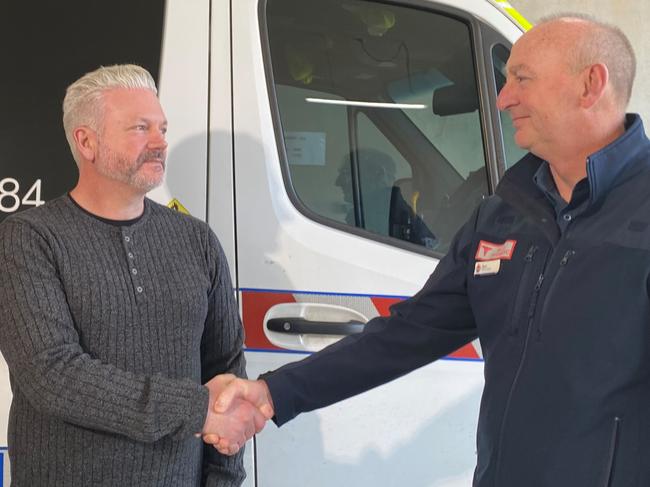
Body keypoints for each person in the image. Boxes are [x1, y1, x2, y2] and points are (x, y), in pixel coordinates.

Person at [207, 14, 650, 486]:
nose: (504, 98)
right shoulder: (506, 212)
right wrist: (273, 392)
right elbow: (412, 331)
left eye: (522, 79)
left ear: (590, 85)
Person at [0, 64, 267, 486]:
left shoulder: (196, 240)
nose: (160, 142)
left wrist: (224, 480)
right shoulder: (29, 239)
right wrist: (194, 408)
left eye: (162, 127)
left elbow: (226, 371)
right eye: (140, 128)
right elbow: (51, 375)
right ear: (86, 142)